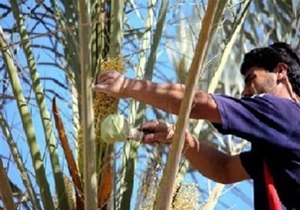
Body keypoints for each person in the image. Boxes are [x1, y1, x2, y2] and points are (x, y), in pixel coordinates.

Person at [94, 42, 300, 210]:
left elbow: (197, 103)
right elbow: (224, 169)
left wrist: (127, 86)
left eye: (251, 79)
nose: (244, 92)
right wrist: (179, 138)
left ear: (280, 71)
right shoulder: (275, 148)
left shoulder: (285, 113)